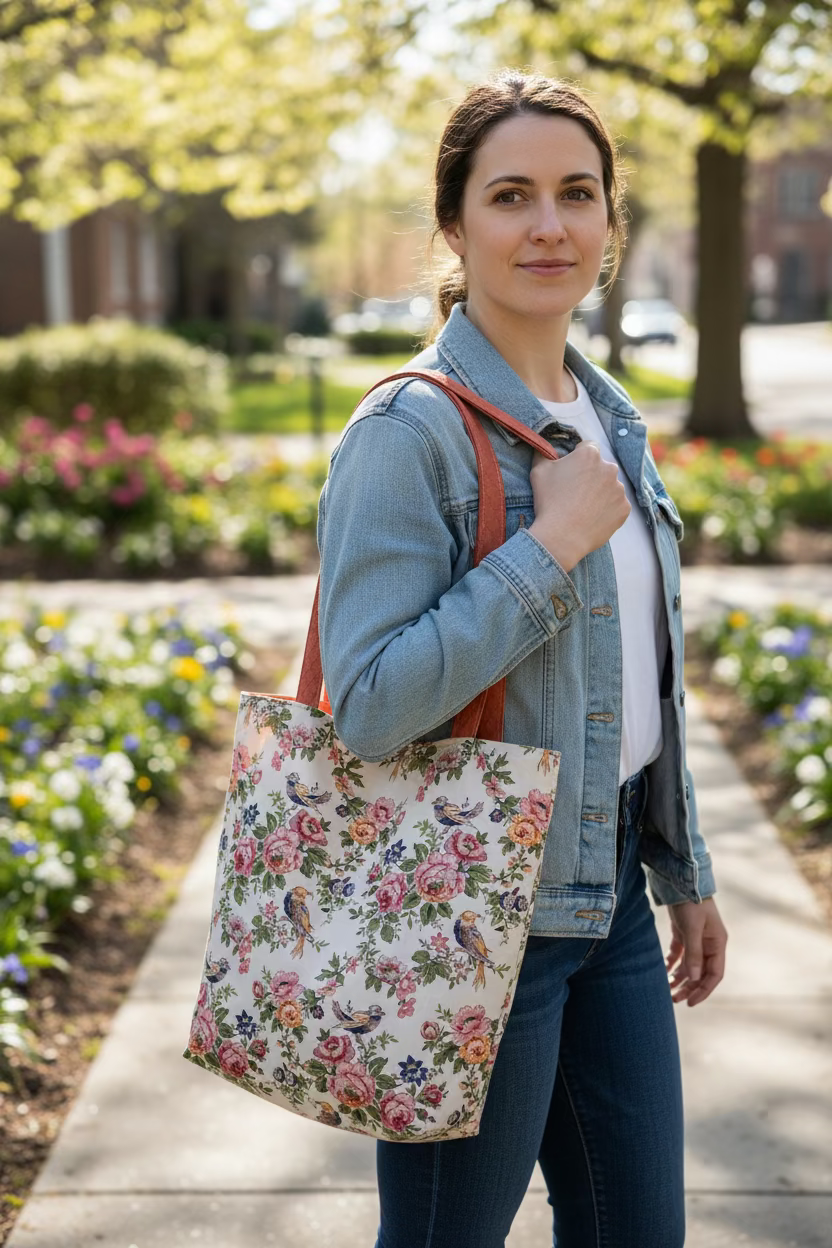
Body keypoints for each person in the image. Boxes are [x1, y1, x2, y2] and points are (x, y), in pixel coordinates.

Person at [315, 68, 728, 1248]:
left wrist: (682, 864)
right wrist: (546, 549)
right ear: (454, 224)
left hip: (611, 918)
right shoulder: (410, 433)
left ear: (609, 222)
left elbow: (635, 682)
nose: (547, 225)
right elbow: (372, 706)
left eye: (576, 194)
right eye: (509, 196)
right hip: (471, 926)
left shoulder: (608, 419)